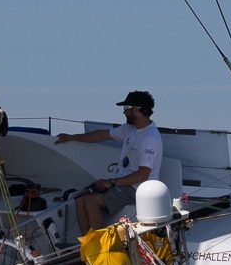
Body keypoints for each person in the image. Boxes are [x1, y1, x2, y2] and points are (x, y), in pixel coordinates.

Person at [54, 90, 163, 236]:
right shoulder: (129, 129)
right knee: (79, 198)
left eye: (126, 109)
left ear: (136, 110)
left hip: (136, 188)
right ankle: (86, 241)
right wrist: (71, 137)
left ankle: (98, 245)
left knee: (91, 201)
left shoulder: (150, 138)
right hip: (122, 183)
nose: (124, 113)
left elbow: (143, 175)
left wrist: (112, 182)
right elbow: (101, 135)